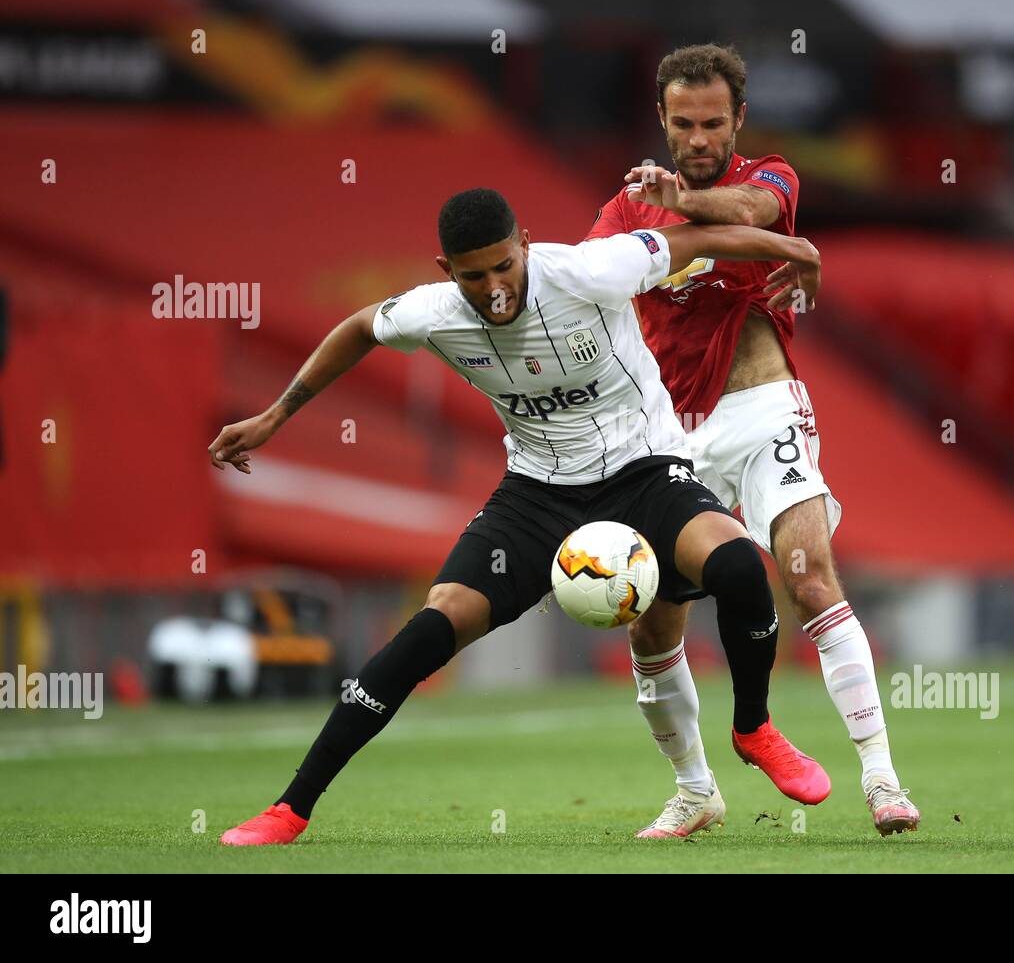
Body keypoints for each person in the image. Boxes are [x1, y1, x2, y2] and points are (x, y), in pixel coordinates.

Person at [210, 186, 828, 844]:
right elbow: (361, 326)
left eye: (504, 265)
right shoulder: (435, 312)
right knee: (433, 624)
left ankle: (753, 726)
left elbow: (698, 239)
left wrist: (795, 249)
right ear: (447, 272)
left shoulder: (591, 269)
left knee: (737, 564)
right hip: (537, 493)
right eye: (474, 275)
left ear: (525, 244)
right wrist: (276, 414)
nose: (494, 286)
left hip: (644, 472)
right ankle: (292, 806)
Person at [585, 43, 920, 838]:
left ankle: (882, 779)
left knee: (807, 576)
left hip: (764, 408)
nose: (696, 140)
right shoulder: (629, 208)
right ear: (661, 121)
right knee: (652, 619)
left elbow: (755, 216)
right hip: (671, 433)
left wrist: (687, 204)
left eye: (711, 124)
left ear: (738, 121)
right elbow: (581, 280)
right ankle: (696, 788)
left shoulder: (772, 177)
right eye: (681, 124)